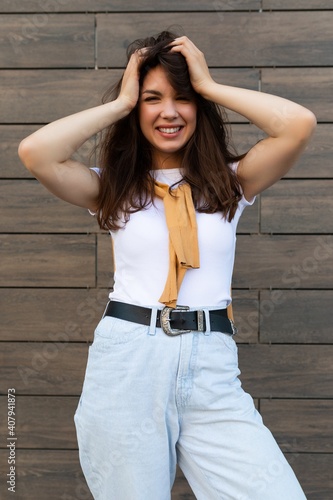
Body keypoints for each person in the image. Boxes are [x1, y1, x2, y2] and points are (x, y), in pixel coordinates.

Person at [18, 30, 315, 500]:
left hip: (212, 364)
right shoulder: (112, 188)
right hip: (129, 361)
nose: (169, 112)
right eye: (152, 99)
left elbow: (298, 123)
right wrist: (120, 103)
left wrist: (211, 86)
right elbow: (36, 152)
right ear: (136, 107)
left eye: (183, 98)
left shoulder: (232, 184)